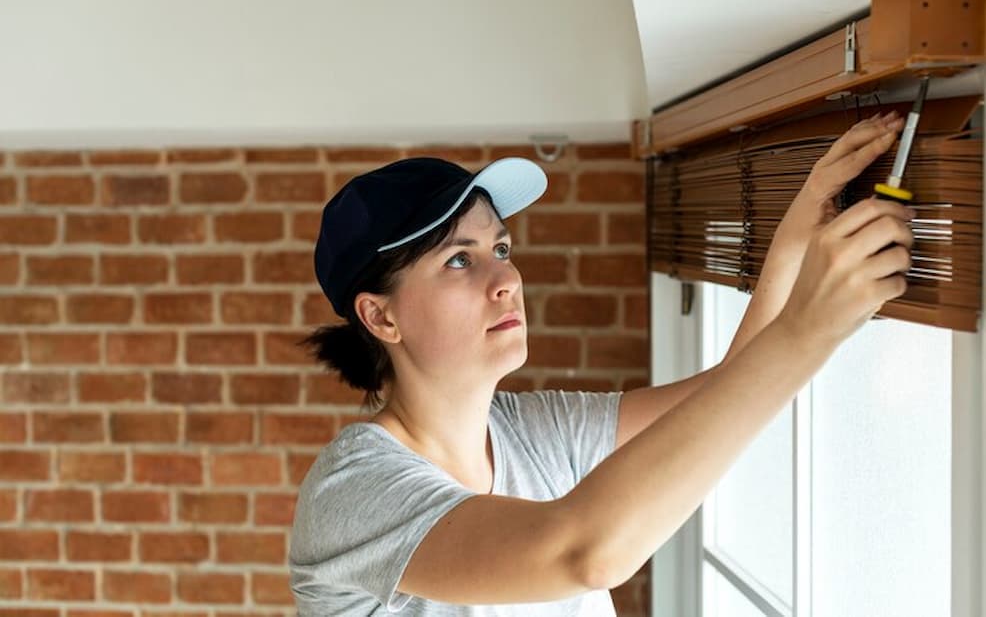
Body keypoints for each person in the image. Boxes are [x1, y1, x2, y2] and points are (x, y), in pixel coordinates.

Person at [288, 112, 913, 615]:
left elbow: (729, 393)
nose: (506, 277)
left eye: (500, 248)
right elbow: (583, 553)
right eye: (460, 259)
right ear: (381, 318)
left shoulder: (533, 431)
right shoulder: (353, 492)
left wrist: (800, 224)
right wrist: (809, 327)